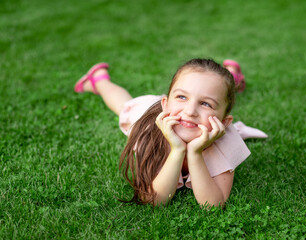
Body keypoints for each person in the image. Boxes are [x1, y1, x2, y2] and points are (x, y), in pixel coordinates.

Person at [74, 58, 267, 207]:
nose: (190, 111)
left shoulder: (225, 140)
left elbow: (213, 206)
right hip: (153, 114)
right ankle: (99, 80)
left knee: (216, 84)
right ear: (166, 103)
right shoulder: (147, 132)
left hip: (186, 113)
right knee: (124, 106)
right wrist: (176, 150)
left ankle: (232, 75)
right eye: (182, 96)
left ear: (224, 123)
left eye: (206, 104)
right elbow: (154, 200)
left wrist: (194, 152)